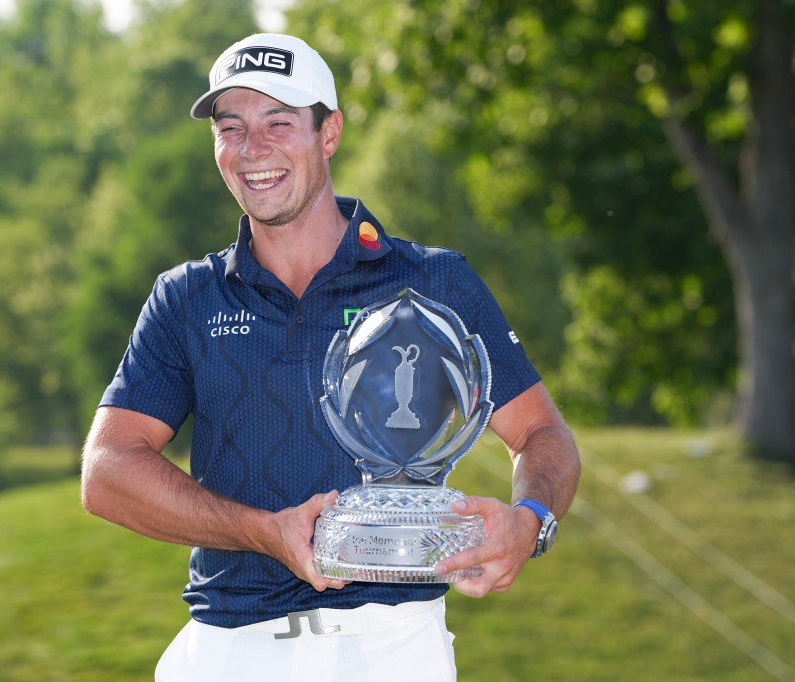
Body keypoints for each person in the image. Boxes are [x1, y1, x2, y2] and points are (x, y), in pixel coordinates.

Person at [80, 32, 581, 682]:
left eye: (278, 124)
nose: (251, 149)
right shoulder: (187, 298)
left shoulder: (434, 282)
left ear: (330, 133)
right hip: (230, 649)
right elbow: (107, 471)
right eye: (231, 128)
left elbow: (541, 431)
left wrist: (530, 521)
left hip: (396, 649)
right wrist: (265, 531)